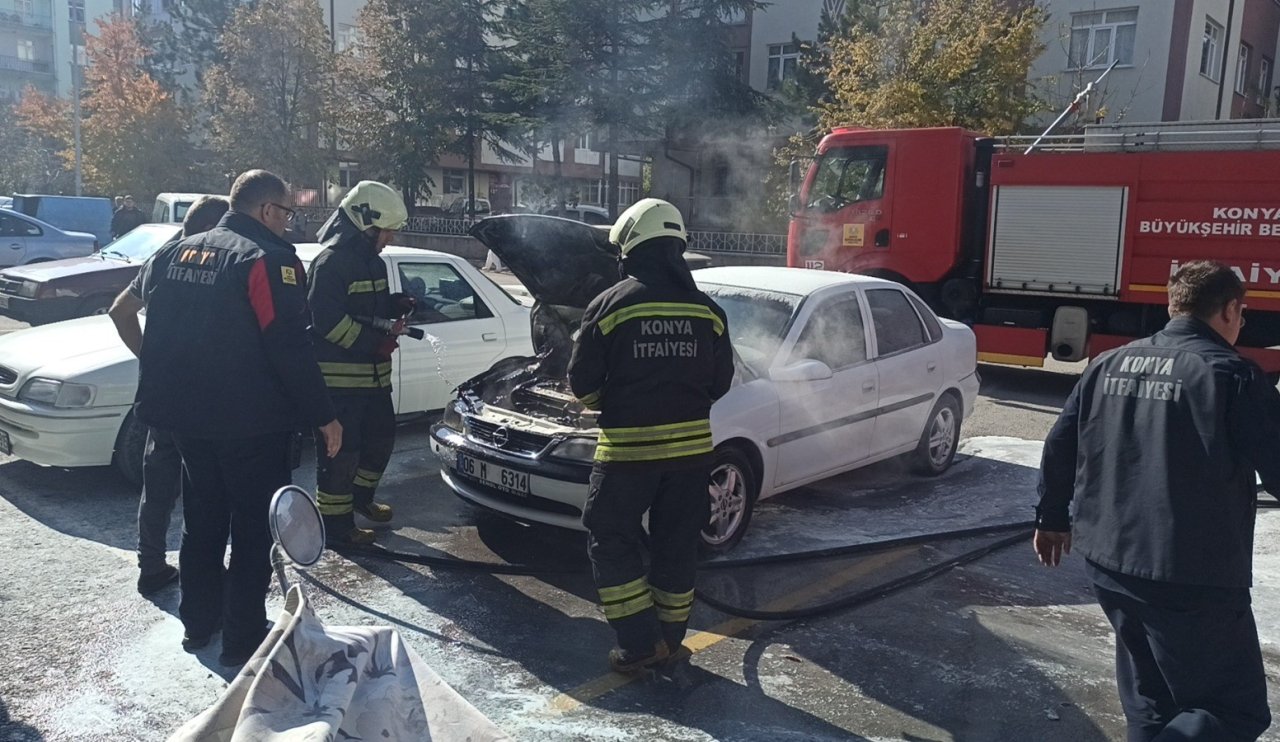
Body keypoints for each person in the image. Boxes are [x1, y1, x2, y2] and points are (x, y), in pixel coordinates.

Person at [1035, 260, 1280, 742]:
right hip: (1190, 578)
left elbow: (1060, 444)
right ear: (1230, 309)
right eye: (1243, 313)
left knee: (1152, 704)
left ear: (1173, 304)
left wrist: (1052, 518)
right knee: (1233, 710)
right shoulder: (1232, 376)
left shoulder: (1109, 362)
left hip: (1110, 564)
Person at [130, 169, 341, 667]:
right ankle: (242, 639)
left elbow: (141, 315)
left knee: (201, 519)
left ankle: (198, 623)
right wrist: (324, 416)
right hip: (250, 423)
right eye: (287, 213)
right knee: (251, 529)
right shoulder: (268, 261)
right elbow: (290, 346)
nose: (289, 223)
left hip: (183, 418)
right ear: (267, 210)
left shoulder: (173, 250)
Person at [567, 198, 734, 674]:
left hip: (627, 456)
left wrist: (613, 404)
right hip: (691, 456)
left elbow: (583, 385)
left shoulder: (611, 305)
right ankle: (669, 639)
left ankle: (639, 643)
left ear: (631, 248)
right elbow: (720, 383)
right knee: (677, 543)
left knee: (610, 538)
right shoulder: (709, 312)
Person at [108, 195, 231, 596]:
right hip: (209, 396)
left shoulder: (162, 260)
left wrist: (149, 357)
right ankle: (209, 570)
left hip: (162, 393)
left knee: (158, 483)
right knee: (210, 485)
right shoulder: (227, 260)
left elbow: (120, 312)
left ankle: (152, 565)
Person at [308, 181, 413, 546]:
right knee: (341, 453)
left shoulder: (375, 264)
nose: (390, 239)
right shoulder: (330, 263)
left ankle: (361, 501)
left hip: (374, 380)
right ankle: (336, 528)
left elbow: (370, 310)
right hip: (340, 384)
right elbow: (326, 322)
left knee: (380, 440)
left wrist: (396, 305)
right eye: (386, 231)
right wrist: (375, 344)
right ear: (365, 225)